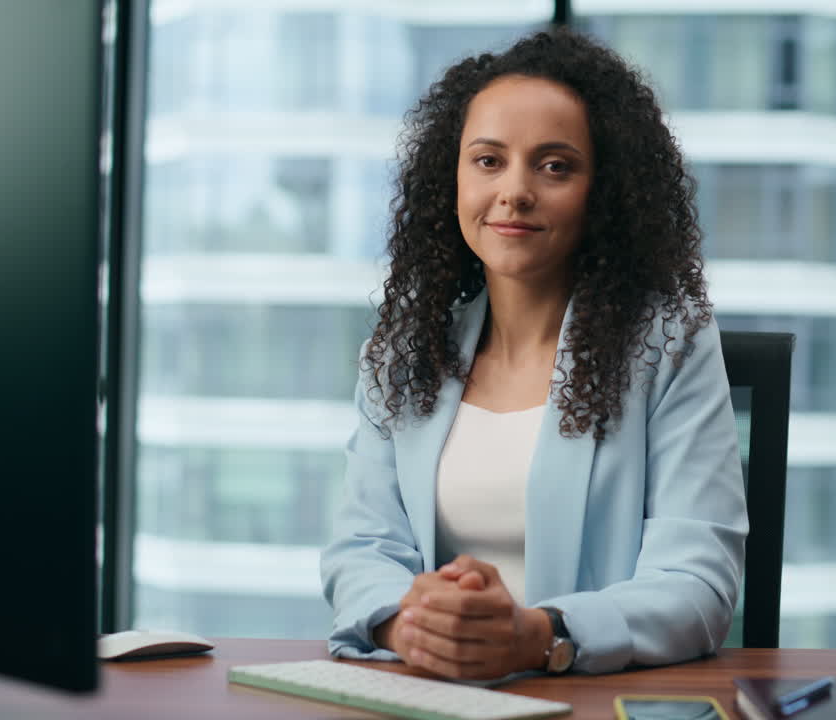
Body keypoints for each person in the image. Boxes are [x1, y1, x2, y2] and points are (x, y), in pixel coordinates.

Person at [319, 28, 747, 680]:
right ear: (451, 178)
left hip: (591, 697)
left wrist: (536, 635)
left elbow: (696, 585)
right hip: (436, 693)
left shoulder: (671, 345)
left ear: (603, 191)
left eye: (555, 166)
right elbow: (361, 547)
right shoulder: (404, 352)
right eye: (488, 160)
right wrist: (411, 624)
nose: (515, 191)